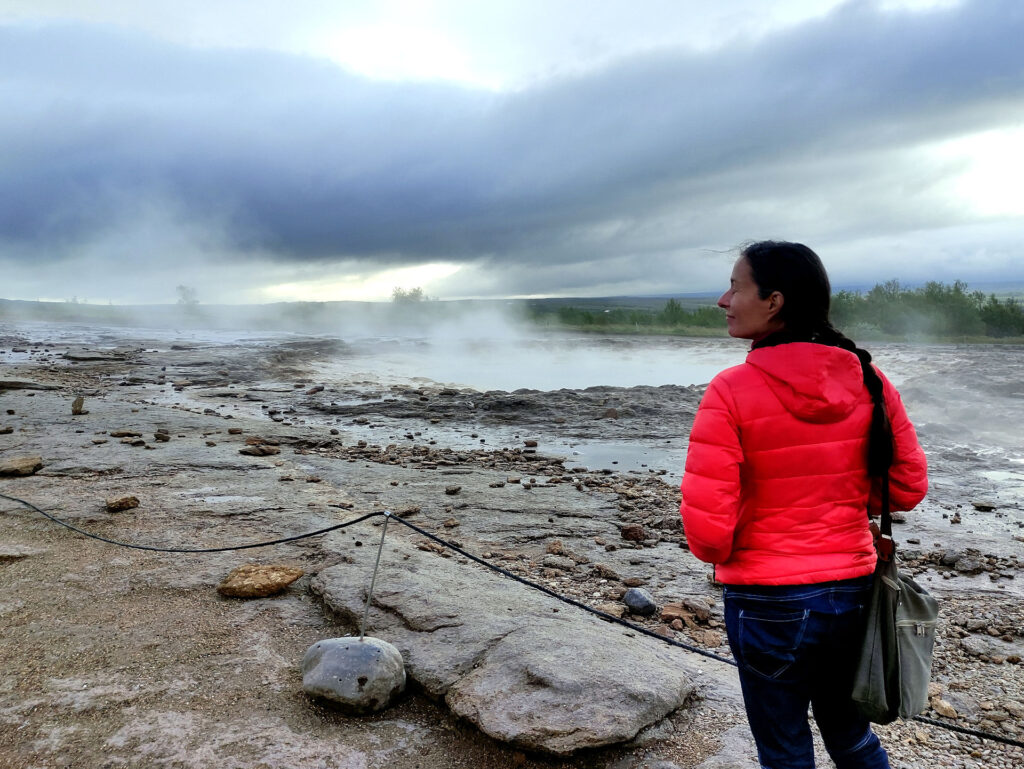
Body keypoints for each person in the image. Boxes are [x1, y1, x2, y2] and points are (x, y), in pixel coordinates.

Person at [680, 241, 928, 769]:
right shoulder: (868, 377)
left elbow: (708, 537)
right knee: (852, 737)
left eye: (736, 286)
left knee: (786, 750)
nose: (724, 300)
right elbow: (904, 488)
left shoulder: (731, 389)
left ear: (773, 301)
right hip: (855, 592)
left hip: (768, 601)